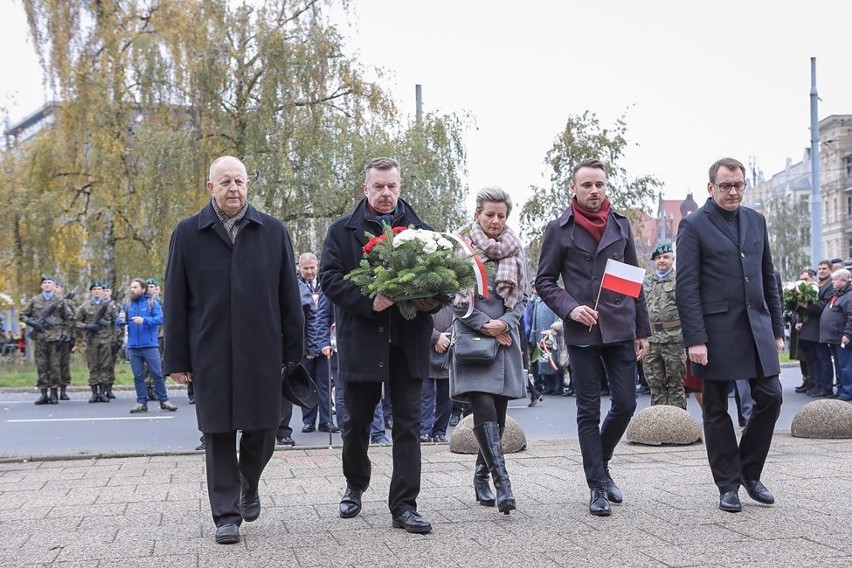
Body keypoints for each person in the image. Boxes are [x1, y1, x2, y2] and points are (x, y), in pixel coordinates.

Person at [163, 155, 304, 545]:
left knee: (264, 428)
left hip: (262, 351)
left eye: (239, 181)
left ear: (248, 185)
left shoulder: (272, 231)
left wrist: (295, 352)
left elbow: (289, 297)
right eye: (224, 182)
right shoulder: (189, 233)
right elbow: (175, 298)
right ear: (211, 188)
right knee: (218, 433)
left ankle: (248, 483)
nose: (233, 189)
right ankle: (226, 515)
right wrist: (176, 359)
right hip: (209, 351)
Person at [320, 156, 438, 534]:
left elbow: (444, 280)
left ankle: (404, 505)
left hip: (408, 343)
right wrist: (369, 300)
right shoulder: (342, 231)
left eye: (392, 186)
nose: (385, 193)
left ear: (400, 187)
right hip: (362, 343)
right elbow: (329, 279)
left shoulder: (424, 232)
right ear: (365, 188)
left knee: (408, 425)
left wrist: (430, 299)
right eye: (378, 187)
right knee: (355, 423)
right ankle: (355, 484)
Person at [535, 158, 651, 517]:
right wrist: (570, 308)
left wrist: (643, 330)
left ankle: (599, 462)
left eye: (599, 184)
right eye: (586, 185)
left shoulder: (620, 225)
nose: (594, 190)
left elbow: (634, 279)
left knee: (627, 404)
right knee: (587, 410)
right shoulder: (559, 229)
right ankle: (597, 485)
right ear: (574, 188)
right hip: (582, 330)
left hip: (620, 326)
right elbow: (544, 281)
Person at [676, 157, 784, 513]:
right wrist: (695, 338)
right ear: (711, 188)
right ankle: (727, 485)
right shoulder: (693, 225)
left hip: (757, 328)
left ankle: (749, 473)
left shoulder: (756, 220)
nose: (733, 191)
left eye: (738, 185)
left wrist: (778, 329)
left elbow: (769, 277)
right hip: (715, 332)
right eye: (726, 186)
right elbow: (687, 286)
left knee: (771, 397)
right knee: (717, 408)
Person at [449, 186, 527, 515]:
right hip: (473, 337)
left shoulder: (516, 249)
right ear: (477, 215)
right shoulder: (461, 249)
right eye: (489, 214)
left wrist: (505, 324)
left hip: (505, 340)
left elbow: (522, 298)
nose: (495, 221)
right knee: (482, 404)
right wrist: (486, 325)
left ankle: (481, 476)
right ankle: (503, 484)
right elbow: (453, 298)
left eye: (501, 215)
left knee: (498, 415)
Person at [296, 252, 340, 434]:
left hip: (324, 345)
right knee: (307, 384)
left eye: (312, 267)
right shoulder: (295, 286)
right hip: (305, 347)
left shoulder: (325, 284)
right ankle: (308, 420)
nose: (309, 271)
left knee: (325, 384)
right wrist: (308, 347)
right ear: (300, 268)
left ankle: (326, 420)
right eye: (305, 268)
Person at [121, 278, 177, 414]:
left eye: (135, 287)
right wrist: (120, 320)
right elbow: (119, 321)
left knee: (157, 374)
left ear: (143, 289)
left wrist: (144, 320)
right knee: (138, 376)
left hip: (150, 345)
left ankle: (164, 400)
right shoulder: (127, 304)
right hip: (133, 346)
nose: (132, 290)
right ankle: (141, 402)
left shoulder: (151, 302)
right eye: (131, 287)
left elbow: (160, 318)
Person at [642, 243, 687, 409]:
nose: (662, 261)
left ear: (672, 259)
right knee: (655, 385)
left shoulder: (680, 281)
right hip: (651, 340)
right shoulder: (646, 282)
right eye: (658, 258)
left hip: (674, 340)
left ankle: (678, 428)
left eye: (665, 257)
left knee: (676, 384)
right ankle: (659, 429)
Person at [20, 275, 75, 405]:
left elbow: (69, 318)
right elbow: (22, 315)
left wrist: (64, 334)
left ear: (53, 286)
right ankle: (44, 393)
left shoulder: (60, 301)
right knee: (41, 365)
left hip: (55, 338)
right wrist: (33, 324)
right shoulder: (35, 300)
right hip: (40, 338)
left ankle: (54, 393)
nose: (47, 285)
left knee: (55, 366)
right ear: (41, 286)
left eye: (49, 283)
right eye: (45, 283)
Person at [75, 281, 120, 403]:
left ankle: (103, 392)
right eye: (94, 289)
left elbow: (115, 323)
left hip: (106, 340)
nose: (97, 291)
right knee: (93, 366)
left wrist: (115, 339)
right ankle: (94, 393)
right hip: (91, 340)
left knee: (105, 366)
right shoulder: (85, 306)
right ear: (91, 291)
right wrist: (87, 326)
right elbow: (76, 322)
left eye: (99, 289)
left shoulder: (109, 306)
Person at [420, 306, 453, 443]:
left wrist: (446, 338)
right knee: (425, 396)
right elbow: (418, 316)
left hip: (449, 348)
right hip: (425, 350)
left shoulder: (457, 295)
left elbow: (461, 318)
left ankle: (440, 431)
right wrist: (436, 337)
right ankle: (424, 431)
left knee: (446, 398)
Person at [818, 269, 852, 401]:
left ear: (844, 281)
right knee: (839, 366)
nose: (832, 282)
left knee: (846, 366)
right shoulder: (838, 295)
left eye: (835, 280)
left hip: (842, 338)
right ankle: (842, 389)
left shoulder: (848, 297)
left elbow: (851, 317)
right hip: (835, 338)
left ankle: (848, 391)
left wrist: (848, 334)